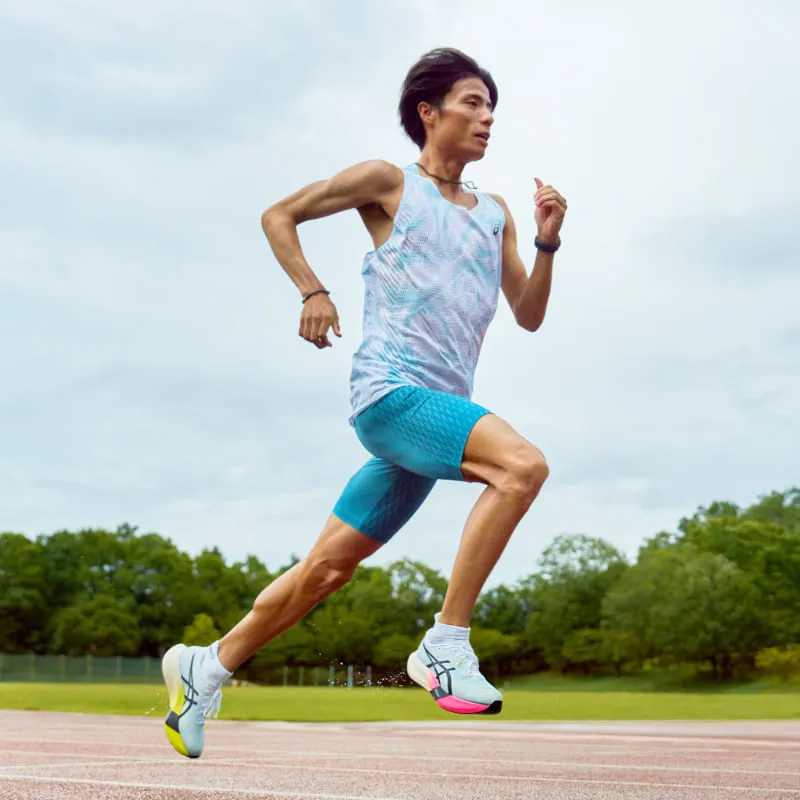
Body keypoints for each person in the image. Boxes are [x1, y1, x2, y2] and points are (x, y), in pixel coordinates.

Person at [161, 46, 567, 759]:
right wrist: (313, 291)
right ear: (427, 112)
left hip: (438, 417)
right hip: (392, 395)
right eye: (472, 103)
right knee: (523, 467)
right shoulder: (388, 183)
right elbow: (278, 214)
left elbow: (528, 315)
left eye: (491, 108)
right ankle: (446, 644)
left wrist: (546, 244)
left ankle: (207, 666)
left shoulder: (494, 213)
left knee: (326, 570)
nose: (487, 118)